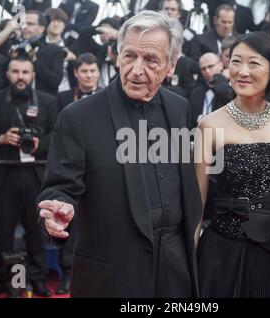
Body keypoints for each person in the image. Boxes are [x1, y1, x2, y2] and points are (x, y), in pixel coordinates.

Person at [37, 10, 202, 298]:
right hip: (113, 268)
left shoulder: (180, 108)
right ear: (116, 56)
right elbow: (59, 187)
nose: (137, 69)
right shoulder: (79, 116)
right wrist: (57, 212)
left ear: (171, 65)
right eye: (129, 56)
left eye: (151, 60)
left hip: (177, 264)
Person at [195, 31, 270, 298]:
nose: (242, 71)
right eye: (235, 61)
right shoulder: (209, 125)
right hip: (224, 251)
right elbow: (198, 200)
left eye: (254, 63)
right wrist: (191, 253)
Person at [0, 56, 58, 297]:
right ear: (7, 74)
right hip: (5, 175)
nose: (20, 76)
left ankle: (36, 278)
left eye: (25, 72)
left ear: (33, 74)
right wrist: (1, 138)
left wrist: (39, 145)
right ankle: (10, 280)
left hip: (36, 175)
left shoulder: (47, 101)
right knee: (3, 232)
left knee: (36, 232)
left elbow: (58, 135)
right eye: (15, 71)